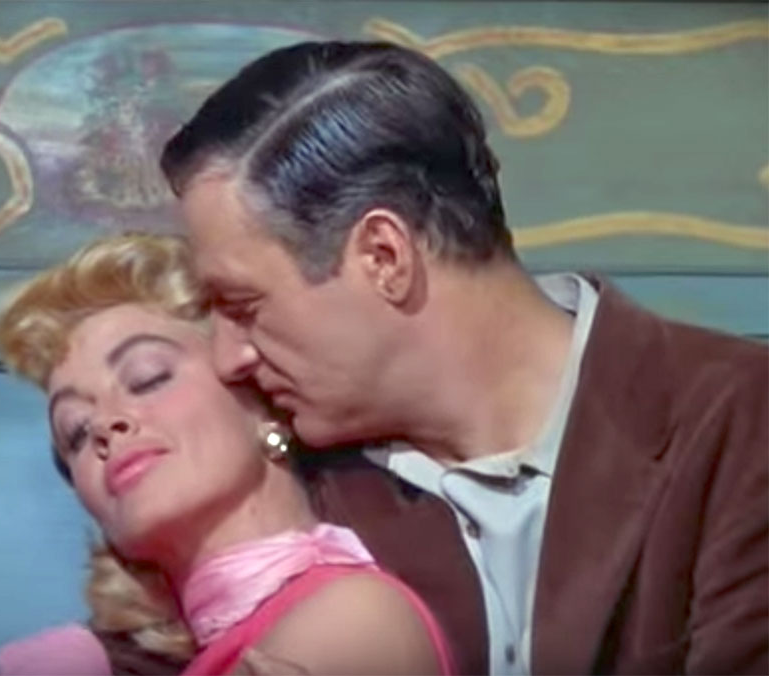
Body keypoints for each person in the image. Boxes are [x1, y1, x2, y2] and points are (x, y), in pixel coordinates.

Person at [159, 40, 769, 675]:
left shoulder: (737, 419)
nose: (228, 358)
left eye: (244, 306)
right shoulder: (274, 468)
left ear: (383, 256)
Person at [0, 233, 455, 675]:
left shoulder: (353, 616)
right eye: (75, 432)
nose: (106, 424)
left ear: (263, 404)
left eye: (147, 378)